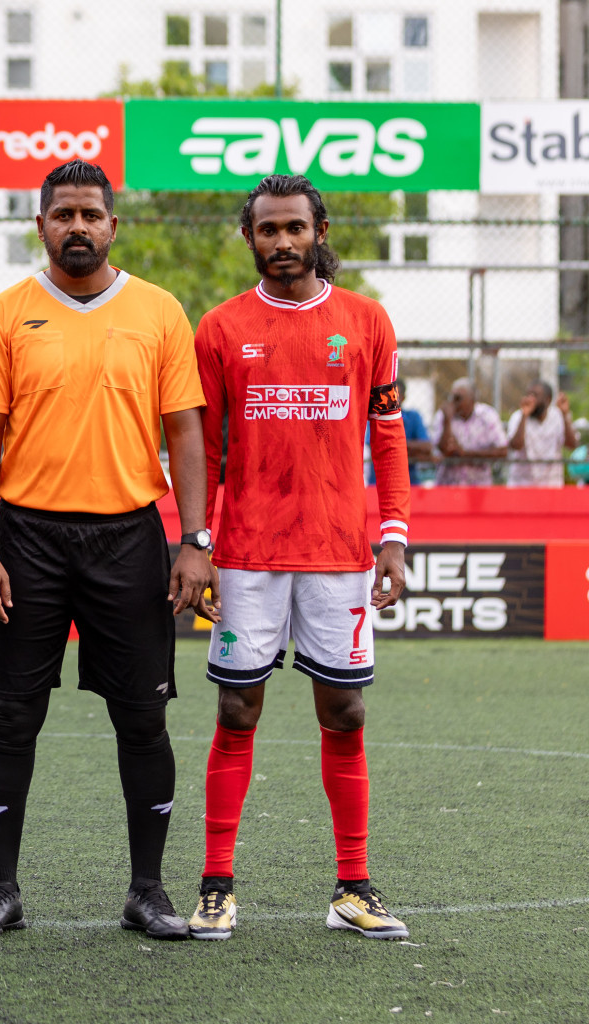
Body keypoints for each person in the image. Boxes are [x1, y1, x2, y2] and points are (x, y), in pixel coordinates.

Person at [0, 159, 213, 942]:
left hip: (128, 537)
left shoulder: (160, 313)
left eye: (90, 215)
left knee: (143, 719)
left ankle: (148, 891)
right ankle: (1, 890)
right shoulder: (4, 314)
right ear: (40, 225)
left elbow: (187, 434)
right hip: (27, 539)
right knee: (13, 717)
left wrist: (195, 540)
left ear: (112, 224)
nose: (77, 226)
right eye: (62, 214)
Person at [190, 174, 412, 943]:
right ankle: (217, 884)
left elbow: (387, 438)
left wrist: (394, 534)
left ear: (319, 229)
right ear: (248, 238)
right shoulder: (219, 329)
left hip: (340, 552)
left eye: (294, 228)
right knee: (235, 709)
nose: (281, 242)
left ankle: (353, 886)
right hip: (248, 552)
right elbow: (207, 451)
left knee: (345, 711)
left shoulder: (366, 321)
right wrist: (201, 544)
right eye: (266, 230)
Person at [431, 378, 506, 486]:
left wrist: (466, 453)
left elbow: (502, 451)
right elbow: (444, 450)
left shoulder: (487, 415)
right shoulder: (443, 415)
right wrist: (447, 421)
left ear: (472, 400)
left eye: (458, 398)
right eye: (452, 397)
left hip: (479, 486)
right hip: (448, 485)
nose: (453, 402)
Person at [505, 380, 577, 487]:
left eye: (535, 395)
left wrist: (565, 415)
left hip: (551, 485)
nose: (530, 399)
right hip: (522, 485)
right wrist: (524, 415)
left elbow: (572, 445)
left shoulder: (558, 416)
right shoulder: (517, 417)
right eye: (528, 395)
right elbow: (516, 445)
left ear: (548, 399)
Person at [365, 379, 433, 486]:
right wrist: (412, 451)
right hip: (380, 480)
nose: (391, 398)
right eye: (388, 394)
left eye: (395, 394)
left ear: (403, 397)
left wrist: (394, 446)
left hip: (410, 480)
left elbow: (426, 447)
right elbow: (376, 447)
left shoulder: (413, 417)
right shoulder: (376, 417)